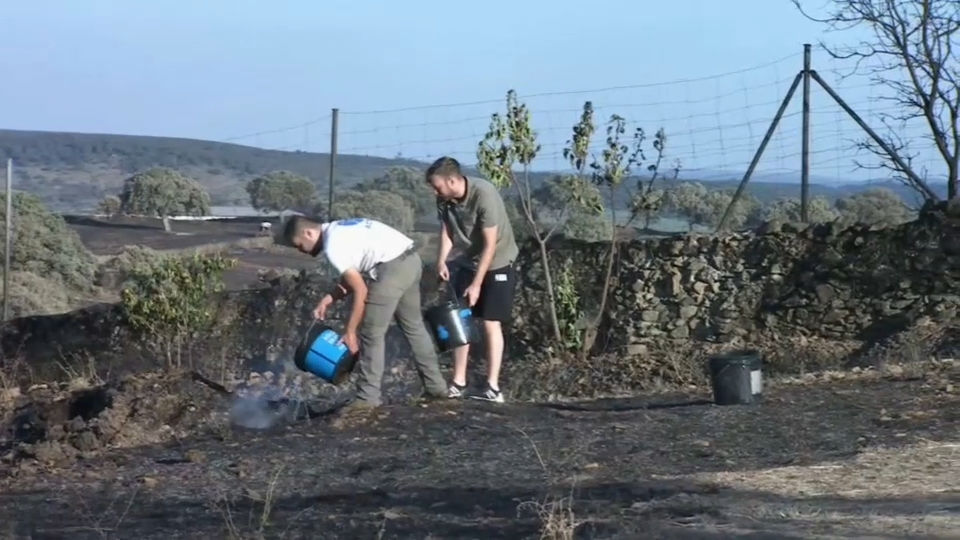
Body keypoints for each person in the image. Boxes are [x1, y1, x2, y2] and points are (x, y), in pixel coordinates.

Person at [281, 214, 450, 413]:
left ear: (308, 233)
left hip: (391, 269)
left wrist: (350, 332)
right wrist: (329, 298)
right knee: (414, 326)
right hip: (411, 260)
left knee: (371, 332)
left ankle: (367, 397)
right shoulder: (339, 229)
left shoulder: (332, 245)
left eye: (300, 245)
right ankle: (436, 388)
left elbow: (360, 289)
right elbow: (351, 278)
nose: (302, 252)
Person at [426, 156, 519, 403]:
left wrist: (477, 284)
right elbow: (446, 230)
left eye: (438, 187)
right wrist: (441, 260)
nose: (435, 191)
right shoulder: (444, 200)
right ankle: (458, 382)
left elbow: (490, 245)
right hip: (469, 260)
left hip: (498, 261)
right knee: (460, 319)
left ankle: (493, 387)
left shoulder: (484, 195)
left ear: (453, 180)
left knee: (490, 322)